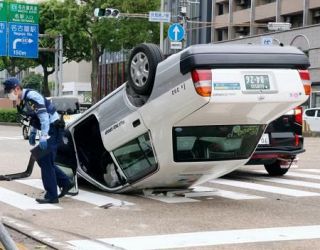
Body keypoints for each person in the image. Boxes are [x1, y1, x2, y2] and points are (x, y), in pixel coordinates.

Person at [2, 77, 73, 204]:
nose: (8, 95)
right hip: (51, 129)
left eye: (9, 92)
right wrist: (33, 132)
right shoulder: (26, 98)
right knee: (41, 159)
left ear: (17, 89)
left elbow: (44, 117)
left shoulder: (32, 97)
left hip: (54, 129)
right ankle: (65, 182)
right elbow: (35, 117)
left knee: (45, 160)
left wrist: (44, 136)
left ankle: (52, 196)